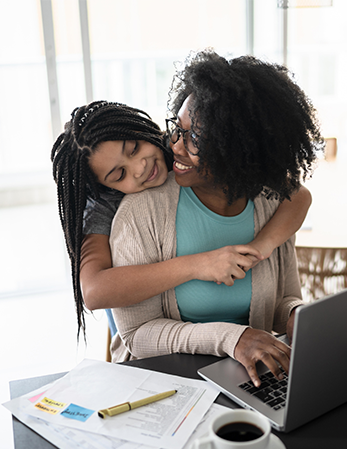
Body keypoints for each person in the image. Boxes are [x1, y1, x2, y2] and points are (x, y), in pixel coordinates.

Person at [109, 50, 322, 387]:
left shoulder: (270, 204)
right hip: (166, 381)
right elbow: (138, 335)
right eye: (177, 130)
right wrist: (233, 338)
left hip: (251, 376)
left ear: (239, 147)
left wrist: (297, 315)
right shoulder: (143, 211)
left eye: (195, 138)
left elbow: (282, 300)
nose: (175, 146)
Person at [51, 100, 313, 338]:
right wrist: (198, 265)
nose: (140, 167)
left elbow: (297, 195)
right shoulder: (104, 205)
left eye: (133, 148)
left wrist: (260, 246)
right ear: (105, 186)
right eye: (120, 175)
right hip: (145, 327)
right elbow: (95, 291)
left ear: (142, 129)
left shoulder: (179, 145)